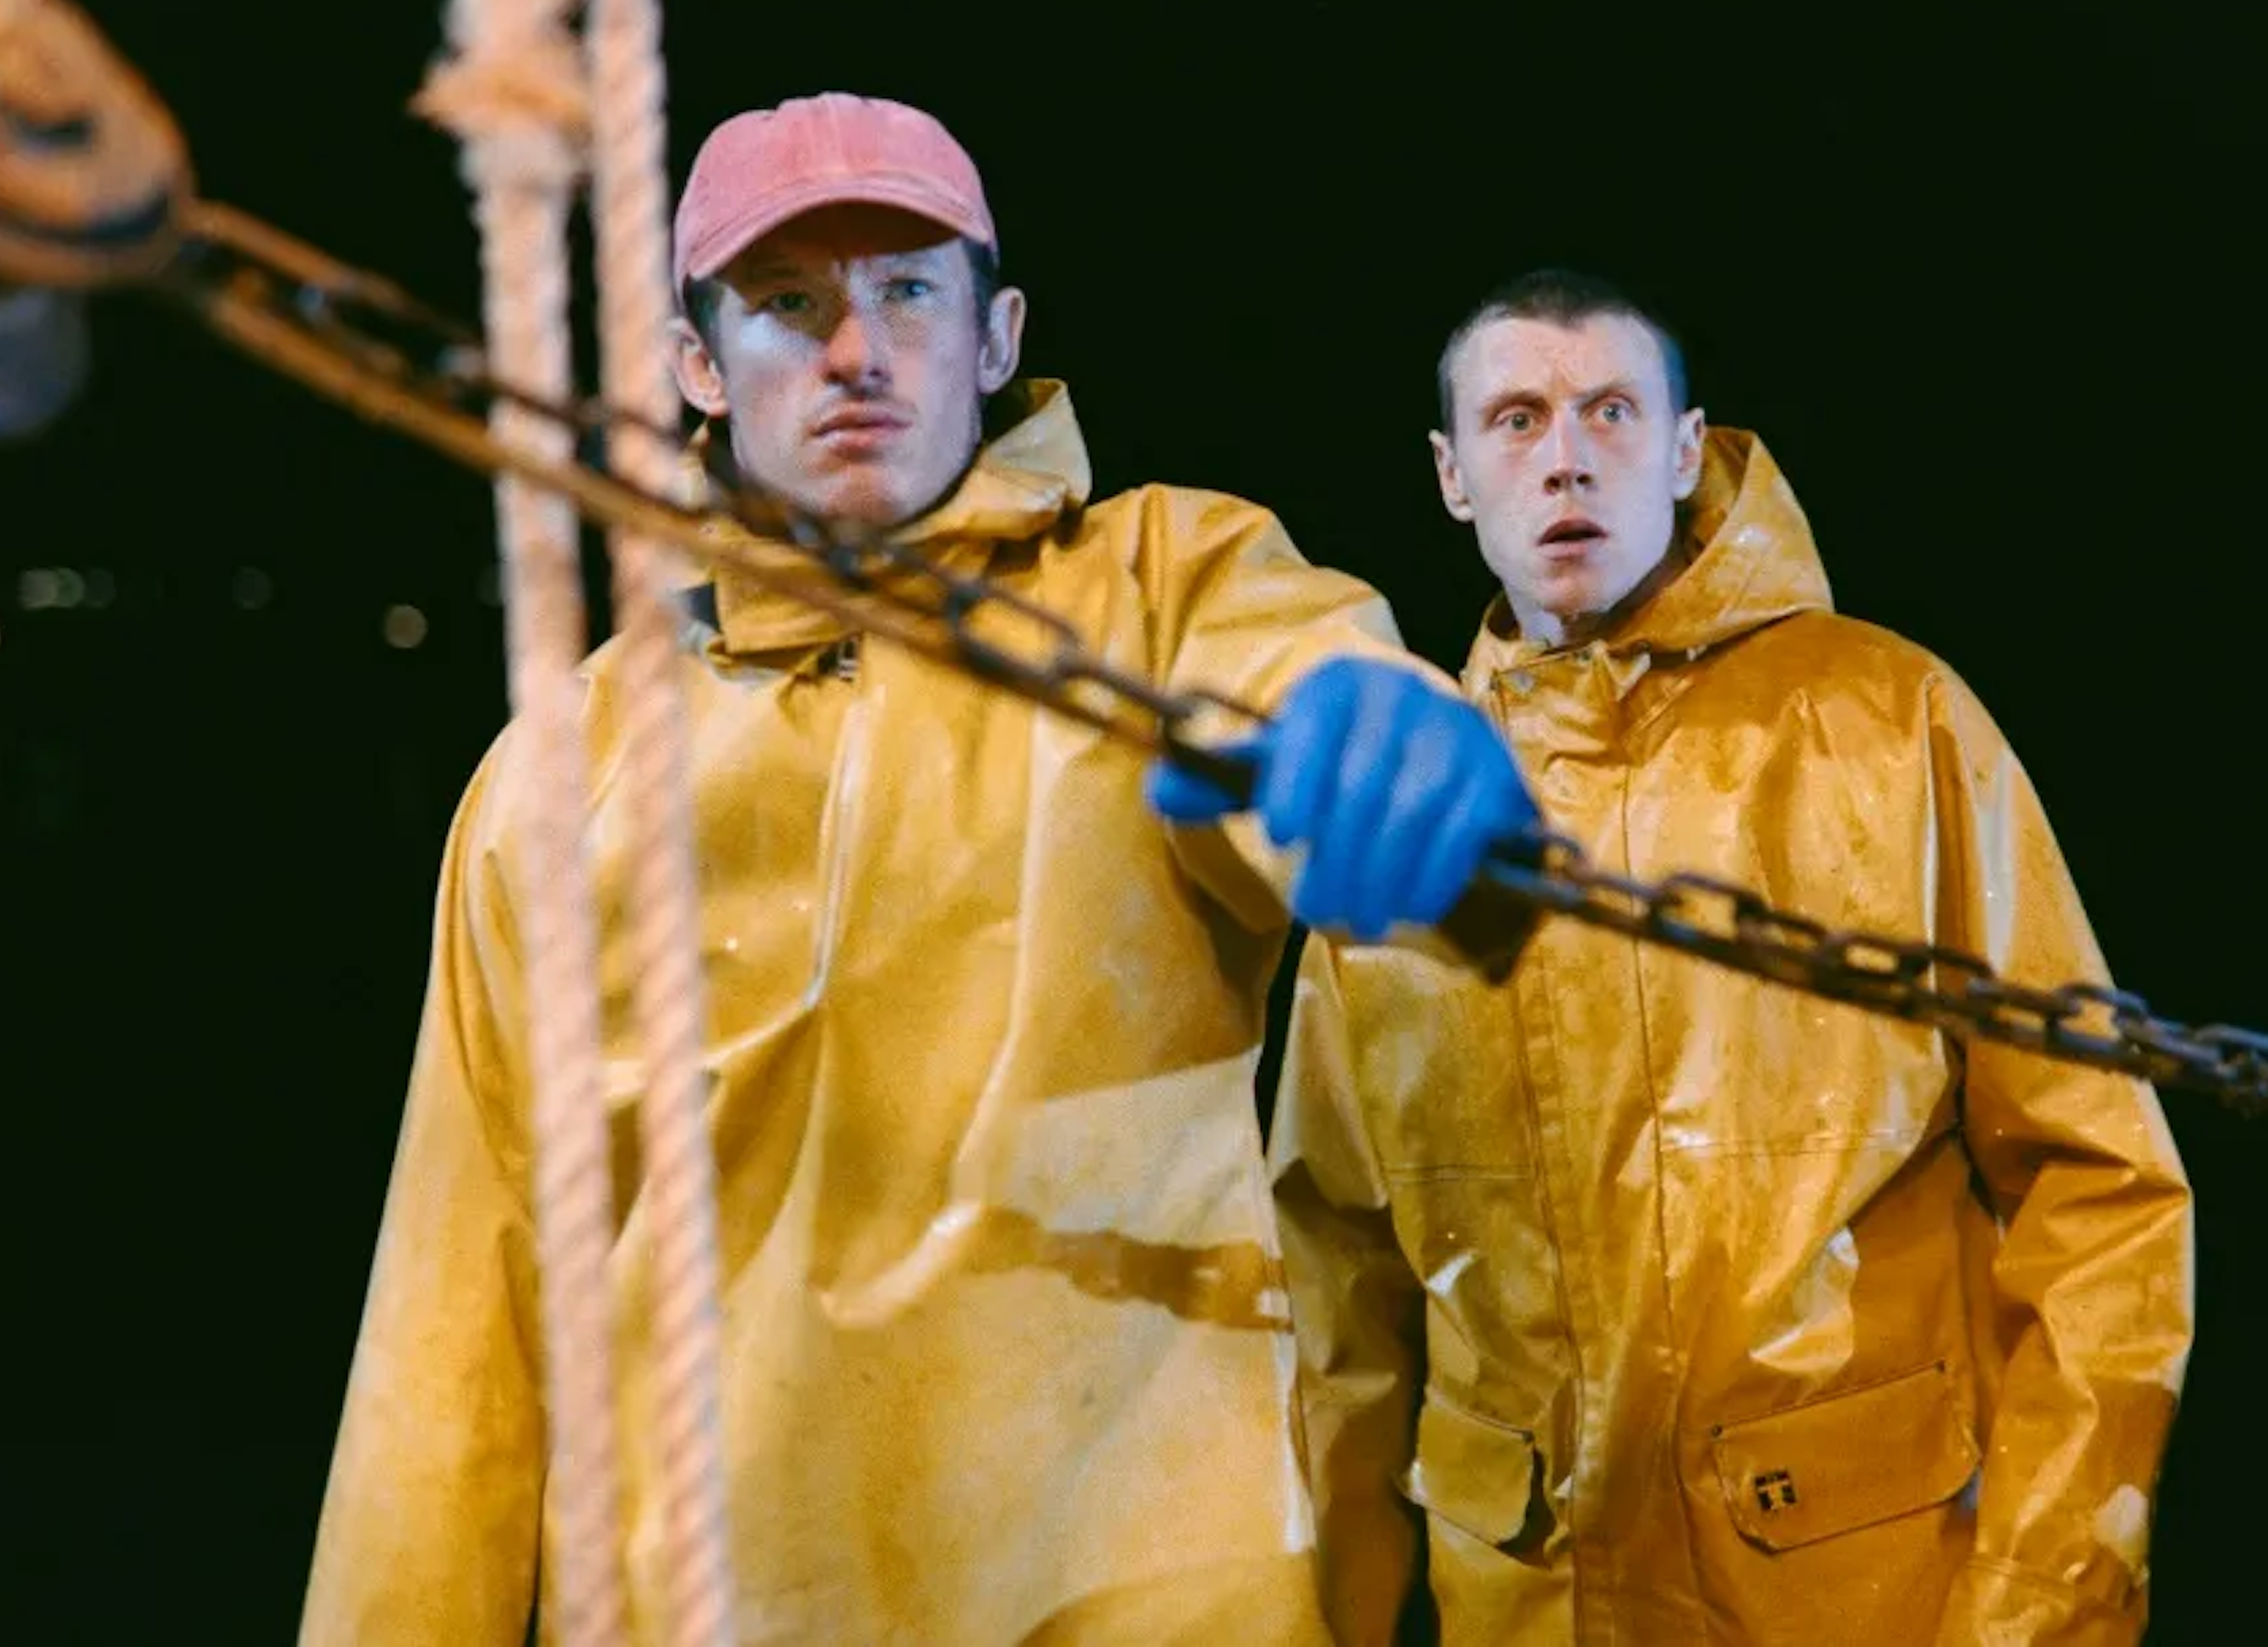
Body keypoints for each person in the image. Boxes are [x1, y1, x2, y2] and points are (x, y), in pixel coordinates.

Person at [299, 92, 1536, 1645]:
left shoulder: (1166, 595)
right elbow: (453, 1322)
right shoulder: (567, 772)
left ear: (996, 333)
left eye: (907, 291)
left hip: (1141, 1606)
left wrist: (1396, 738)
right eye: (788, 304)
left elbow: (1299, 680)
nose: (858, 353)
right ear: (696, 366)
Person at [1251, 269, 2197, 1644]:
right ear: (1452, 475)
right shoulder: (1412, 814)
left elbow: (2099, 1189)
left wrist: (2038, 1606)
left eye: (1611, 411)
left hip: (1862, 1600)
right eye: (1516, 420)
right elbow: (1334, 1285)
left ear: (1688, 449)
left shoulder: (1888, 724)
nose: (1566, 458)